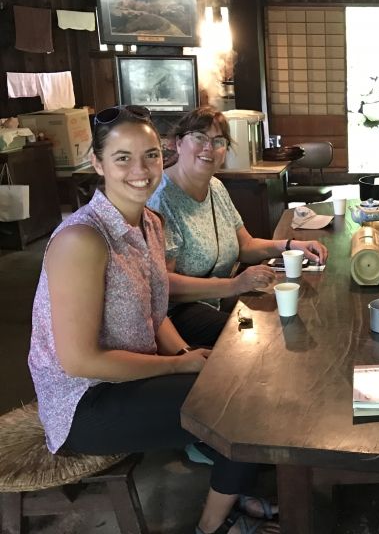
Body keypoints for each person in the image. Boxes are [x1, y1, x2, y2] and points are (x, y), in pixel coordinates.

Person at [28, 105, 279, 534]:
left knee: (242, 374)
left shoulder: (149, 222)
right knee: (241, 405)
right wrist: (178, 365)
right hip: (86, 403)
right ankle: (213, 524)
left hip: (133, 373)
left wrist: (185, 354)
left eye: (149, 155)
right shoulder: (82, 239)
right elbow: (80, 362)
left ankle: (234, 490)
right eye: (122, 157)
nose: (140, 170)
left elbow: (155, 310)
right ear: (97, 162)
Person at [147, 106, 328, 347]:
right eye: (199, 137)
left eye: (218, 141)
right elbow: (165, 286)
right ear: (178, 143)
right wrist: (235, 284)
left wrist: (291, 245)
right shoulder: (162, 199)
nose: (208, 148)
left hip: (219, 297)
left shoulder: (215, 187)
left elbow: (246, 245)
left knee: (291, 310)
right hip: (177, 315)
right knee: (261, 337)